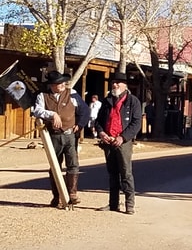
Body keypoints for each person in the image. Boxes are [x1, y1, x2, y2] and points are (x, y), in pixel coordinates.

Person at [33, 70, 90, 208]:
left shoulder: (72, 93)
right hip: (52, 136)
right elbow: (36, 110)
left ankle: (72, 194)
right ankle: (57, 197)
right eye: (59, 83)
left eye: (63, 82)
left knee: (73, 164)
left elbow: (85, 110)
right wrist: (52, 114)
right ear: (52, 85)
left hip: (70, 134)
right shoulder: (43, 95)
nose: (62, 85)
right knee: (54, 166)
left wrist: (80, 124)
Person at [96, 71, 142, 215]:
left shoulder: (133, 101)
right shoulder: (107, 101)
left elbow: (136, 123)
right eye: (113, 82)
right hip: (108, 140)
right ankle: (113, 204)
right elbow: (98, 121)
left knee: (126, 173)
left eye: (117, 82)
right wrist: (102, 133)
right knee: (112, 173)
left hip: (123, 141)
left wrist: (122, 137)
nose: (114, 85)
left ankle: (130, 205)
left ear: (124, 85)